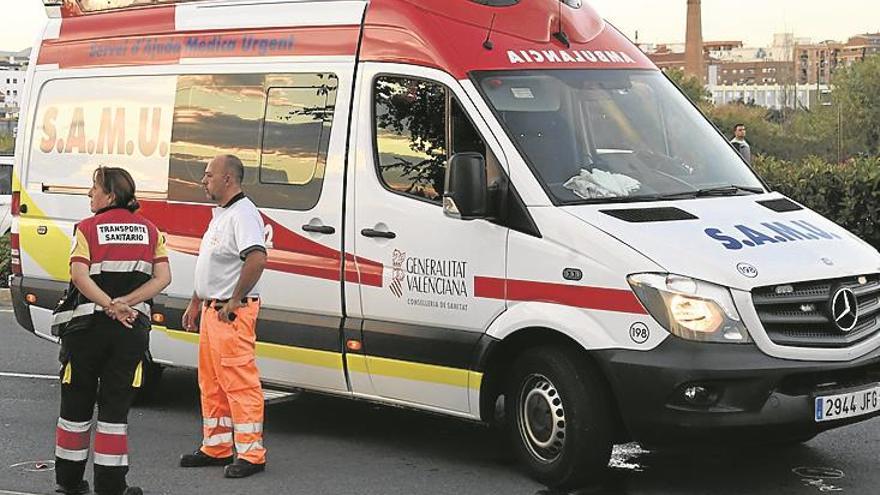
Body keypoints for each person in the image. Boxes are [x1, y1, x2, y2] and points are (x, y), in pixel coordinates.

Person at [53, 167, 171, 495]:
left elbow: (80, 276)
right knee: (114, 413)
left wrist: (108, 303)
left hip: (86, 331)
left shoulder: (87, 229)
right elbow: (163, 278)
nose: (89, 194)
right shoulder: (151, 231)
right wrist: (125, 303)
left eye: (94, 188)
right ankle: (111, 486)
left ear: (111, 195)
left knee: (75, 408)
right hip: (129, 332)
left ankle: (69, 482)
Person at [179, 154, 268, 479]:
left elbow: (256, 259)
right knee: (212, 382)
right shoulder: (222, 215)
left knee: (239, 382)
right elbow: (211, 265)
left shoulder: (243, 214)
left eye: (208, 175)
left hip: (230, 313)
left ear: (228, 179)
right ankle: (216, 447)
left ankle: (251, 454)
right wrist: (195, 301)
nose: (204, 180)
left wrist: (234, 300)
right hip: (212, 310)